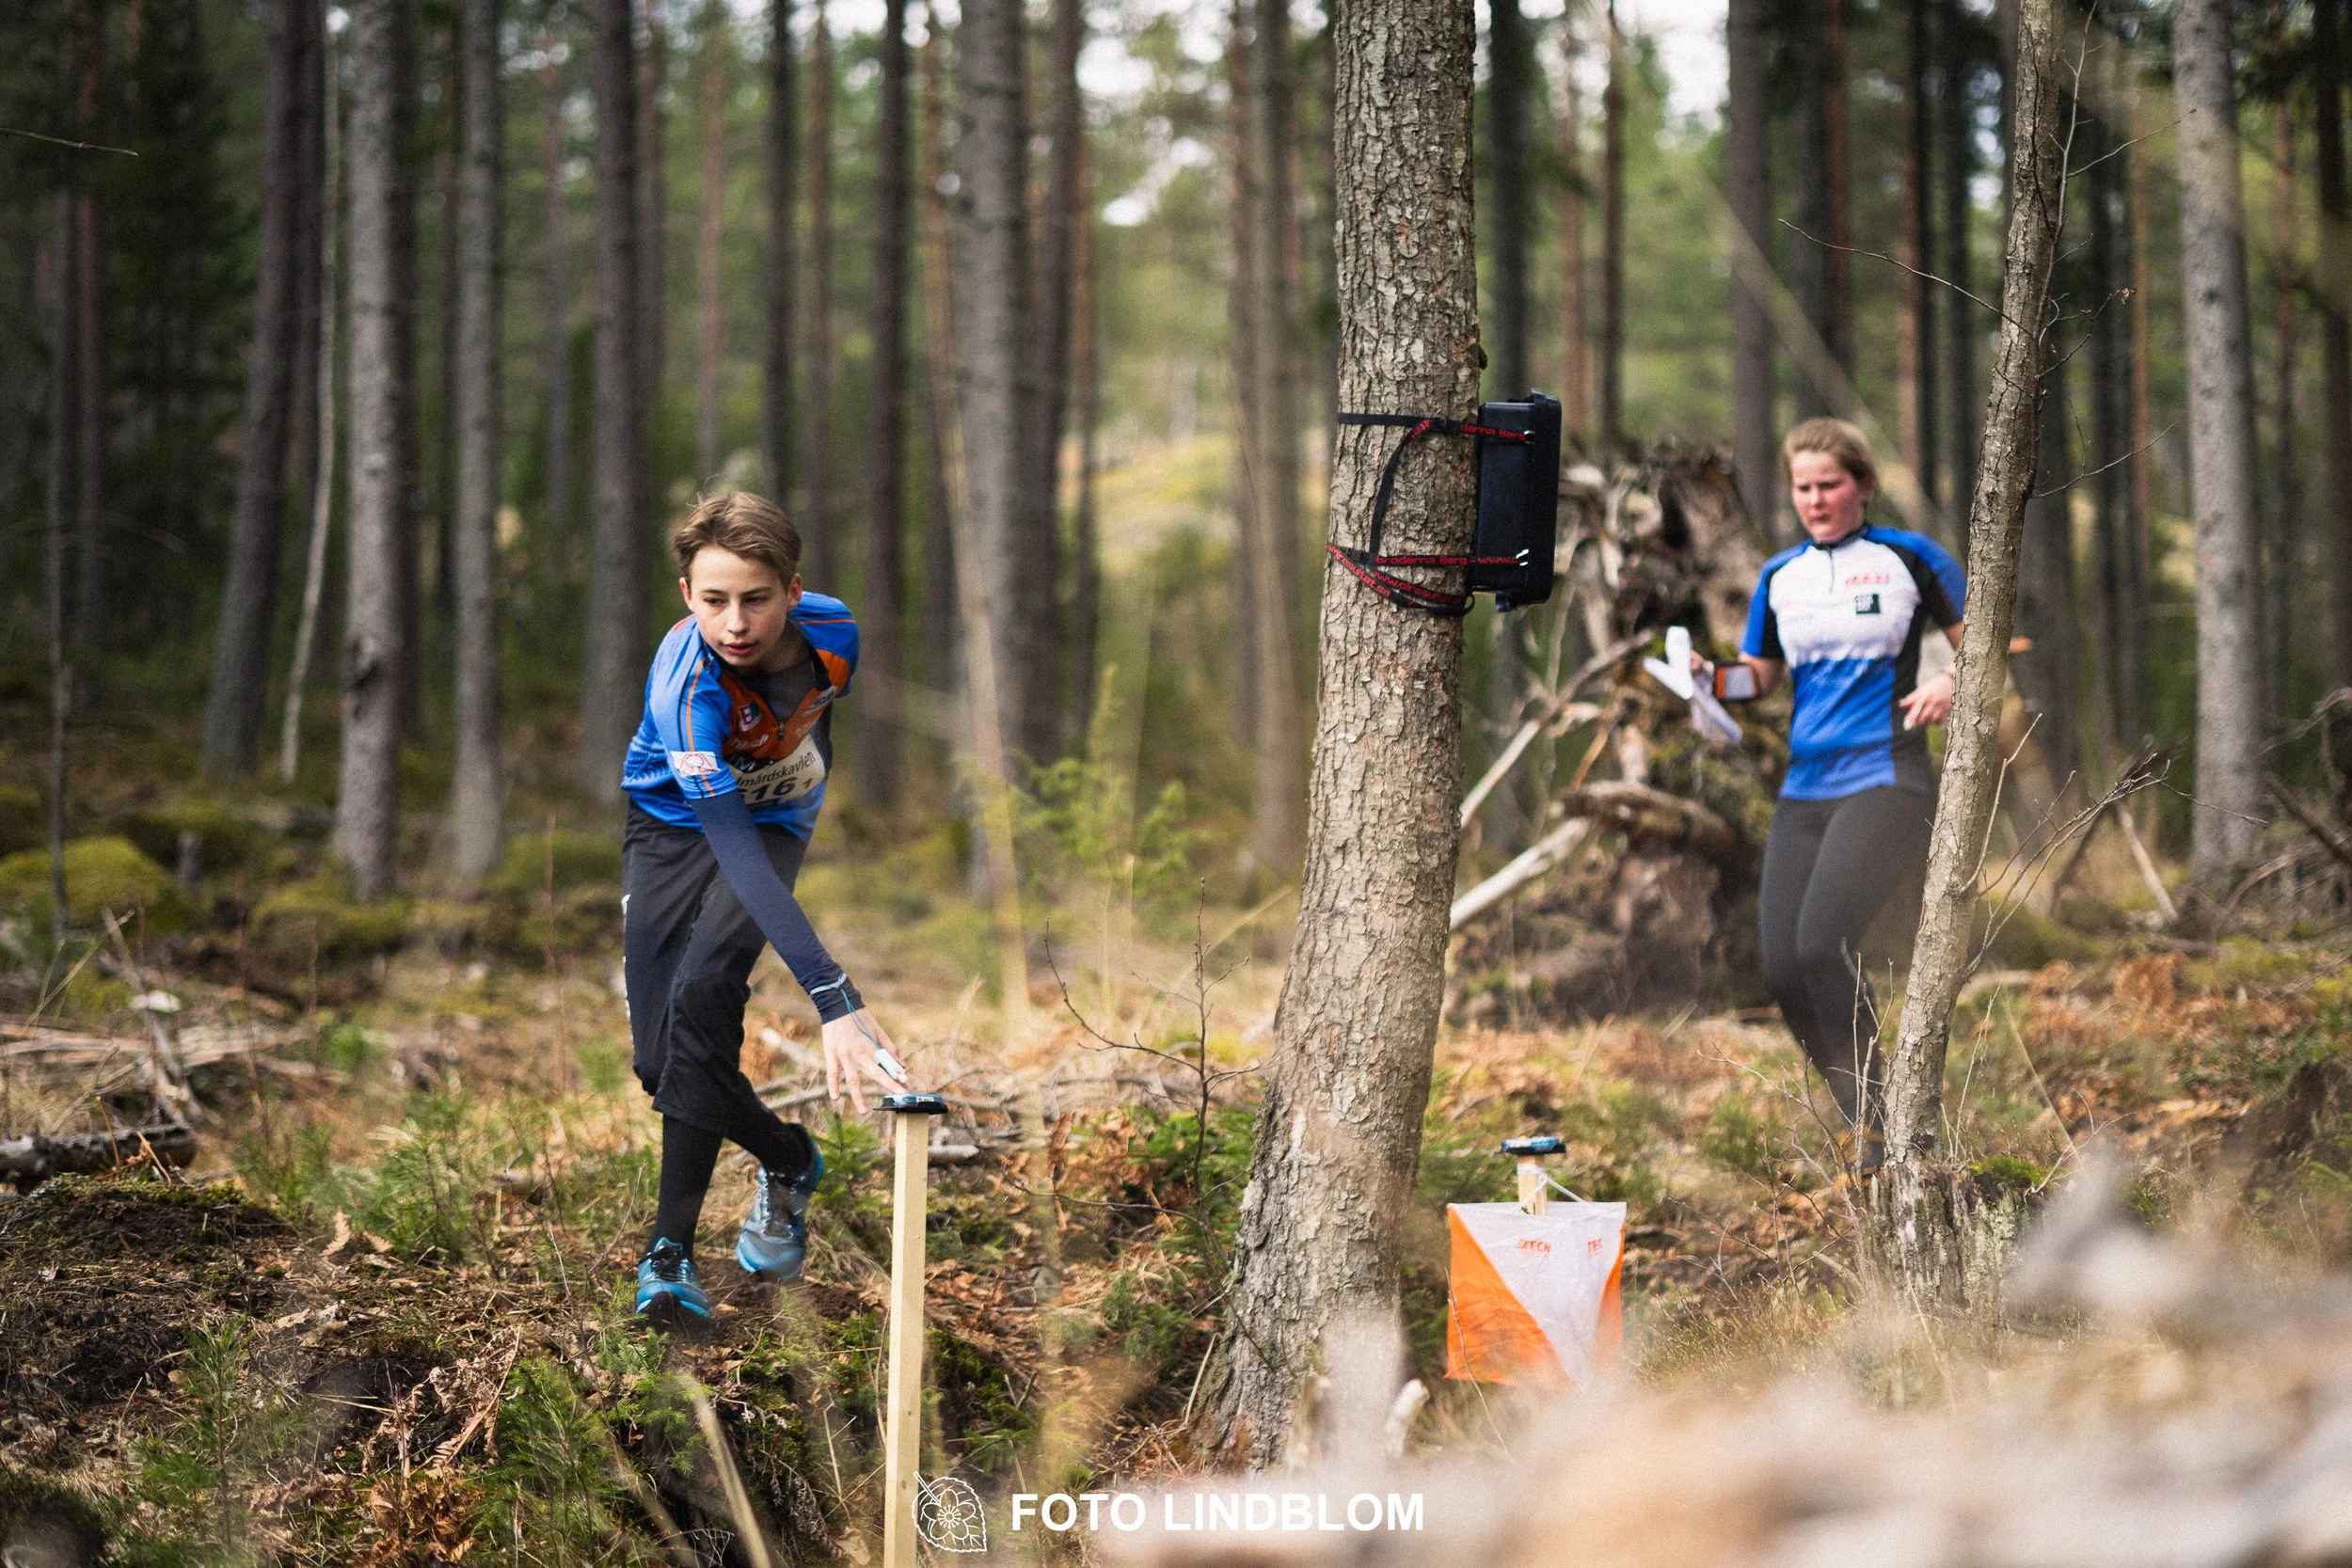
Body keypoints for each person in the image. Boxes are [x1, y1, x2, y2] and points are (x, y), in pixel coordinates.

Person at [619, 490, 906, 1325]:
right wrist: (835, 999)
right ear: (686, 596)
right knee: (663, 1065)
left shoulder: (836, 631)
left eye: (755, 598)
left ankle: (666, 1256)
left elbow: (817, 715)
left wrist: (801, 784)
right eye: (713, 601)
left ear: (793, 589)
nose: (735, 622)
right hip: (675, 825)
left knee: (707, 990)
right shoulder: (688, 694)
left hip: (774, 821)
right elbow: (728, 851)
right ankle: (789, 1157)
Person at [1704, 419, 1964, 1167]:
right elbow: (1758, 675)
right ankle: (1865, 1118)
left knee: (1823, 944)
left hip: (1888, 775)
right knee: (1782, 967)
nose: (1816, 500)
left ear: (1862, 485)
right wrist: (1705, 678)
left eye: (1830, 484)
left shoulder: (1908, 557)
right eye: (1803, 487)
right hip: (1804, 787)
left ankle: (1887, 1128)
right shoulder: (1780, 575)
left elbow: (1988, 633)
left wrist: (1948, 677)